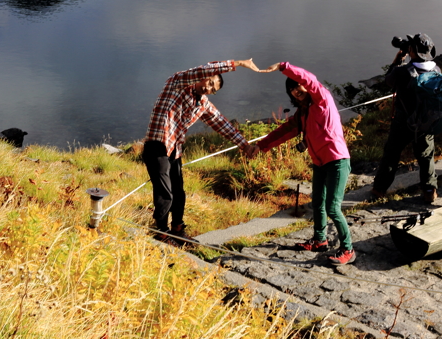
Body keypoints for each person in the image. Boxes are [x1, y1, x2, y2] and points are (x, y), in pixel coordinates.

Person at [142, 59, 262, 244]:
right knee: (165, 192)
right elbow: (203, 68)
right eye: (210, 82)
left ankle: (178, 230)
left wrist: (245, 146)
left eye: (213, 89)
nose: (209, 88)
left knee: (179, 192)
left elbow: (221, 123)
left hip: (175, 149)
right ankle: (162, 234)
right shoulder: (177, 83)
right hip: (157, 145)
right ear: (204, 76)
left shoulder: (202, 104)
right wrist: (238, 63)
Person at [254, 62, 355, 265]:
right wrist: (260, 146)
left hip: (337, 161)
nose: (295, 90)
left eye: (297, 85)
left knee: (333, 208)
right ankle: (320, 240)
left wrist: (284, 67)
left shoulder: (322, 99)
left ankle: (348, 249)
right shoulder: (303, 114)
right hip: (319, 164)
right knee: (317, 203)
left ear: (306, 86)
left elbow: (310, 79)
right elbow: (283, 131)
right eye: (291, 88)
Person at [371, 33, 442, 205]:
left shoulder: (402, 72)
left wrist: (398, 60)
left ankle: (379, 190)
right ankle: (429, 191)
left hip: (403, 122)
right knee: (426, 156)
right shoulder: (436, 70)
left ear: (411, 51)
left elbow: (388, 81)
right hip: (427, 121)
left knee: (391, 154)